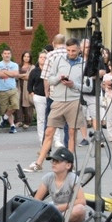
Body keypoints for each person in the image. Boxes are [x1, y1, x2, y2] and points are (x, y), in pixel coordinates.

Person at [28, 39, 89, 171]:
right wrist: (58, 78)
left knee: (72, 133)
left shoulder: (84, 64)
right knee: (49, 131)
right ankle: (39, 163)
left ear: (79, 50)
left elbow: (88, 87)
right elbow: (50, 79)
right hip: (58, 100)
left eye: (73, 50)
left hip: (74, 101)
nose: (70, 53)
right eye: (68, 50)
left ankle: (69, 165)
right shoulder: (59, 60)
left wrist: (74, 85)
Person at [32, 148, 88, 222]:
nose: (53, 163)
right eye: (53, 161)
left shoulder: (72, 178)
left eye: (57, 161)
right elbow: (36, 200)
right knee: (34, 208)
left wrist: (59, 208)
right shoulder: (48, 177)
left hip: (69, 211)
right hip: (55, 209)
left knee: (80, 209)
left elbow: (82, 201)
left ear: (68, 165)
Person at [0, 48, 20, 133]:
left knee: (15, 105)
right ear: (2, 55)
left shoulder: (14, 64)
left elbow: (15, 74)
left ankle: (4, 117)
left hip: (12, 89)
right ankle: (12, 126)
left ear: (11, 55)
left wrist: (4, 72)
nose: (7, 55)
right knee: (5, 109)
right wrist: (10, 73)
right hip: (2, 90)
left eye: (8, 53)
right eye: (5, 53)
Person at [27, 51, 49, 145]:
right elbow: (29, 85)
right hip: (39, 96)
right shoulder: (34, 71)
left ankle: (56, 139)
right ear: (38, 59)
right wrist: (33, 94)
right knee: (41, 119)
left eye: (45, 57)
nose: (43, 59)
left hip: (50, 97)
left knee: (52, 119)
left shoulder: (50, 70)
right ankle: (42, 139)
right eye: (41, 57)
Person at [16, 51, 34, 130]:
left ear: (30, 58)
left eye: (28, 57)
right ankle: (19, 121)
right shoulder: (18, 66)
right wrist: (22, 75)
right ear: (22, 57)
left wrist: (20, 76)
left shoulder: (32, 67)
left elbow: (29, 77)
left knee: (27, 105)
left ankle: (27, 122)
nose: (26, 58)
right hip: (19, 87)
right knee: (18, 103)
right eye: (25, 56)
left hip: (28, 87)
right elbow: (15, 76)